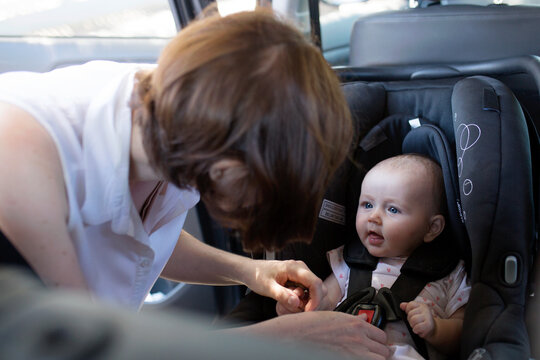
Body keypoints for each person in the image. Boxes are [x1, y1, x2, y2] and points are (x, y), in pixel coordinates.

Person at [0, 8, 389, 360]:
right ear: (227, 162)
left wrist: (247, 272)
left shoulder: (177, 127)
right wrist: (278, 340)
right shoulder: (21, 155)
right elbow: (84, 345)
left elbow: (144, 236)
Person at [277, 154, 470, 359]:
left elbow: (464, 334)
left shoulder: (448, 273)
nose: (374, 217)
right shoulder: (349, 262)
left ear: (432, 228)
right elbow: (320, 306)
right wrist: (298, 305)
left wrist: (437, 330)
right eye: (367, 205)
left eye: (393, 209)